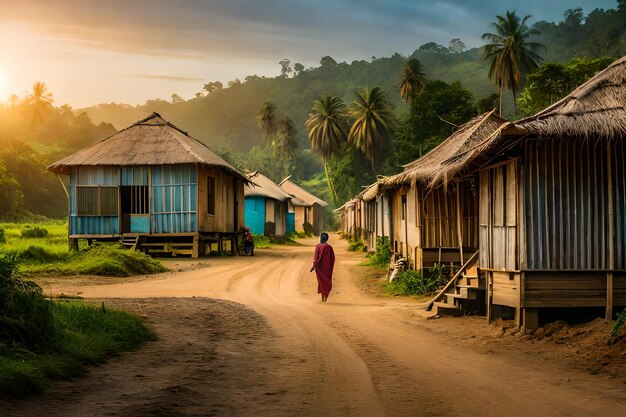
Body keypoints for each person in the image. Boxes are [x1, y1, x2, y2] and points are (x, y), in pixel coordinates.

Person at [310, 232, 335, 302]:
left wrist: (314, 266)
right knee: (327, 282)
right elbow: (332, 258)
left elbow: (315, 258)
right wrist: (330, 266)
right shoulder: (329, 247)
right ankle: (325, 297)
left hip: (319, 268)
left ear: (320, 238)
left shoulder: (317, 246)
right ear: (327, 239)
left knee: (321, 282)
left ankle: (322, 297)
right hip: (327, 268)